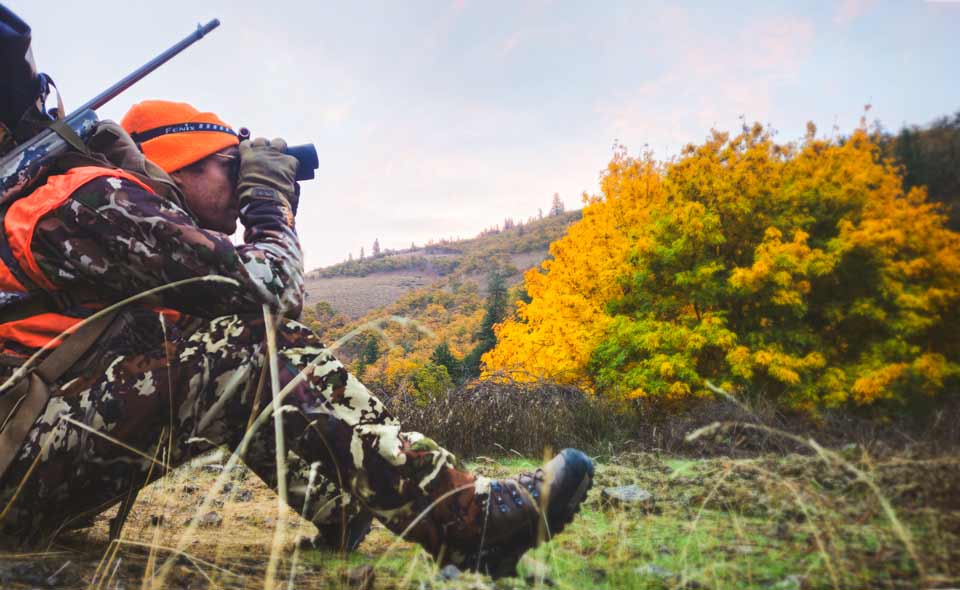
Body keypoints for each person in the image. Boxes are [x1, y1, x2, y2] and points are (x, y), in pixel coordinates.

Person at [0, 99, 593, 578]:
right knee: (239, 350)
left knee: (224, 354)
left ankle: (341, 507)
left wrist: (262, 204)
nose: (243, 181)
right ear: (178, 163)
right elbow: (271, 291)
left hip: (30, 467)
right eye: (232, 165)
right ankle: (467, 521)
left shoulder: (134, 234)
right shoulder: (95, 199)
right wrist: (269, 202)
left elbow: (255, 318)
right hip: (12, 481)